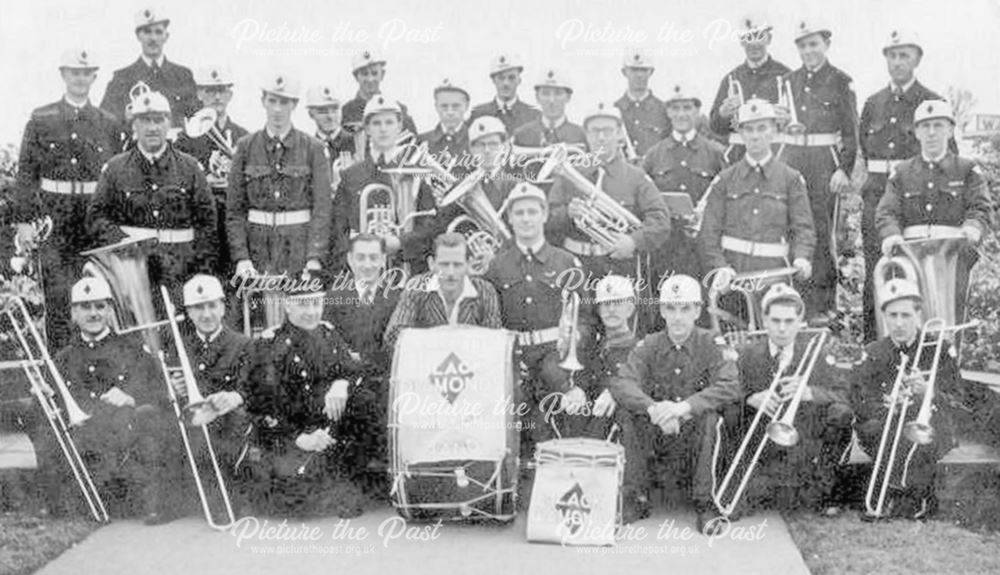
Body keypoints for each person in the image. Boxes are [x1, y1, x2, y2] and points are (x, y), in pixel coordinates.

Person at [37, 277, 179, 524]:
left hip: (124, 432)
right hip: (85, 437)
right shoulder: (61, 359)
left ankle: (152, 503)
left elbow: (159, 389)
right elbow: (55, 405)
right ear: (73, 313)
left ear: (110, 310)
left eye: (101, 306)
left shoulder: (132, 349)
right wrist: (43, 396)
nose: (94, 313)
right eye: (86, 307)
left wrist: (131, 397)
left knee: (150, 416)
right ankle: (60, 502)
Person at [608, 274, 739, 533]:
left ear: (698, 310)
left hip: (693, 432)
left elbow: (730, 385)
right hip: (657, 431)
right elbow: (623, 383)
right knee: (628, 414)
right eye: (671, 308)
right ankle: (635, 497)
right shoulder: (649, 344)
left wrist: (684, 408)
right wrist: (653, 408)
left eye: (685, 308)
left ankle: (705, 503)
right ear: (662, 310)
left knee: (710, 417)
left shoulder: (712, 343)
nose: (678, 317)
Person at [13, 49, 121, 349]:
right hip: (56, 221)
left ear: (94, 77)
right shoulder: (42, 119)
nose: (80, 78)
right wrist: (23, 222)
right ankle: (61, 379)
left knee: (99, 299)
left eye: (86, 73)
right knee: (60, 300)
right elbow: (26, 174)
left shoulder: (108, 123)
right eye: (74, 72)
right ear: (63, 75)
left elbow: (114, 175)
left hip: (94, 221)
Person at [242, 281, 368, 517]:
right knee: (292, 499)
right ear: (287, 307)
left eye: (315, 303)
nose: (310, 311)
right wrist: (299, 438)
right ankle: (329, 484)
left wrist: (341, 384)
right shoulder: (270, 345)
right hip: (291, 433)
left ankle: (341, 479)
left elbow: (352, 369)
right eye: (302, 304)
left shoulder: (328, 333)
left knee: (364, 400)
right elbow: (263, 405)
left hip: (328, 429)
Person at [483, 183, 591, 451]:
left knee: (555, 430)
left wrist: (569, 350)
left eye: (532, 211)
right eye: (519, 213)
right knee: (511, 437)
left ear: (544, 215)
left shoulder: (566, 262)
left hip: (557, 360)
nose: (526, 218)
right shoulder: (497, 266)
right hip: (514, 359)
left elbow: (586, 319)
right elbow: (490, 321)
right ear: (510, 218)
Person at [729, 283, 852, 515]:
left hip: (802, 441)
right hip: (761, 443)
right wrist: (750, 397)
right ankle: (748, 482)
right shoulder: (747, 354)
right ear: (765, 320)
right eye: (775, 321)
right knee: (732, 414)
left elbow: (845, 395)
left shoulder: (817, 354)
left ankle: (823, 488)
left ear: (800, 321)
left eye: (789, 321)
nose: (782, 329)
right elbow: (725, 393)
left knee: (840, 413)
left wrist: (810, 393)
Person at [858, 30, 949, 342]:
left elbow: (948, 159)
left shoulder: (932, 103)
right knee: (876, 269)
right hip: (876, 197)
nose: (897, 62)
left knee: (916, 272)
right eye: (892, 56)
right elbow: (865, 149)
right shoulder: (873, 103)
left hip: (913, 199)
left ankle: (920, 346)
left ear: (917, 59)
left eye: (904, 56)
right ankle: (874, 347)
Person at [852, 278, 960, 520]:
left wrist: (928, 393)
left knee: (916, 435)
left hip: (931, 424)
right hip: (884, 423)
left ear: (918, 314)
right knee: (886, 430)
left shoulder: (939, 349)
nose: (898, 323)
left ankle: (897, 495)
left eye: (906, 315)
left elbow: (957, 401)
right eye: (892, 315)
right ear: (884, 316)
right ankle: (910, 497)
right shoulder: (872, 352)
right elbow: (859, 399)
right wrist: (887, 403)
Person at [698, 99, 816, 321]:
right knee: (734, 340)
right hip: (733, 277)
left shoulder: (790, 179)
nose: (755, 136)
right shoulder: (725, 180)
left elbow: (804, 229)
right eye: (749, 129)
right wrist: (719, 266)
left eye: (762, 128)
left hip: (774, 277)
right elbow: (708, 233)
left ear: (773, 131)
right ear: (741, 133)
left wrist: (802, 258)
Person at [87, 90, 216, 289]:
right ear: (134, 125)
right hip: (133, 270)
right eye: (145, 121)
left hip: (182, 270)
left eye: (159, 120)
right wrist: (126, 244)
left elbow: (207, 224)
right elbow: (96, 219)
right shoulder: (115, 169)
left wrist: (197, 268)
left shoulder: (190, 168)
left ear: (169, 123)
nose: (152, 128)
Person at [875, 99, 993, 315]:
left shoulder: (966, 170)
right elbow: (887, 211)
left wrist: (973, 227)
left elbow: (980, 207)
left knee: (952, 318)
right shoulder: (901, 173)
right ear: (917, 132)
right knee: (912, 316)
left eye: (938, 126)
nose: (931, 133)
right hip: (911, 259)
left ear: (950, 131)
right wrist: (891, 235)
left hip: (953, 258)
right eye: (925, 126)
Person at [777, 19, 858, 323]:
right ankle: (793, 299)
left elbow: (851, 130)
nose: (808, 51)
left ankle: (823, 306)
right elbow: (780, 124)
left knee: (823, 231)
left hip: (825, 162)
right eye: (802, 45)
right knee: (792, 225)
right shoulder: (787, 80)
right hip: (792, 157)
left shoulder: (840, 80)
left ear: (826, 44)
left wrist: (845, 169)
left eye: (814, 44)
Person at [547, 102, 670, 299]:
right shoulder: (570, 173)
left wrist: (633, 240)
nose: (601, 137)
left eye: (607, 131)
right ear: (586, 135)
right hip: (577, 265)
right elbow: (546, 217)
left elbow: (661, 221)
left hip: (618, 266)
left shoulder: (636, 177)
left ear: (619, 134)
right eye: (595, 131)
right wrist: (567, 213)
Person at [226, 74, 333, 282]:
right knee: (258, 312)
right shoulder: (245, 147)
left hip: (297, 249)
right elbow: (234, 211)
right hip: (257, 249)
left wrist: (314, 256)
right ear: (263, 102)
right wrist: (241, 257)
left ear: (294, 105)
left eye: (284, 102)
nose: (277, 109)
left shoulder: (313, 148)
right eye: (272, 101)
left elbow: (322, 209)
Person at [329, 95, 438, 275]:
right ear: (367, 129)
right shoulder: (350, 175)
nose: (383, 129)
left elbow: (430, 225)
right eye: (376, 123)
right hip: (361, 271)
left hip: (406, 270)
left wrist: (400, 242)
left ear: (400, 126)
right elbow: (339, 229)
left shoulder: (415, 172)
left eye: (389, 122)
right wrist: (356, 257)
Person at [177, 274, 253, 514]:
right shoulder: (178, 345)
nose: (206, 314)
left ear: (222, 307)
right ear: (188, 312)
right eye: (198, 308)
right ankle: (174, 500)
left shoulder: (242, 344)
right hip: (191, 416)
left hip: (226, 415)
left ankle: (226, 498)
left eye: (212, 306)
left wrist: (234, 398)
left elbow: (252, 387)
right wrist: (173, 389)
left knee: (235, 421)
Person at [643, 84, 727, 281]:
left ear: (698, 112)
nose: (681, 114)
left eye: (687, 108)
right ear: (668, 112)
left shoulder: (716, 152)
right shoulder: (654, 155)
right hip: (665, 247)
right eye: (675, 108)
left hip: (703, 247)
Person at [173, 65, 248, 279]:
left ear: (230, 94)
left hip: (234, 225)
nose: (217, 97)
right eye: (209, 91)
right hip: (201, 226)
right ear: (199, 94)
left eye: (222, 90)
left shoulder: (244, 137)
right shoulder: (186, 141)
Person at [384, 232, 503, 350]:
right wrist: (443, 345)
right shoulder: (416, 288)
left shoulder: (485, 290)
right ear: (431, 264)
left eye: (457, 265)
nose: (451, 273)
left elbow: (494, 339)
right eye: (444, 265)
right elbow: (394, 335)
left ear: (468, 264)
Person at [559, 274, 639, 439]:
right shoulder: (593, 348)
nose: (611, 310)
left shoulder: (640, 350)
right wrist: (577, 390)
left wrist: (616, 393)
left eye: (617, 303)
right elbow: (584, 378)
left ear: (630, 308)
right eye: (606, 304)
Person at [708, 14, 790, 163]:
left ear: (769, 39)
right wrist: (723, 113)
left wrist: (787, 120)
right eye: (748, 37)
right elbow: (715, 127)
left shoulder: (786, 75)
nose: (753, 43)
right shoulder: (731, 78)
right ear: (741, 41)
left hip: (776, 157)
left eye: (759, 36)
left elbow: (801, 124)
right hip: (739, 158)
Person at [99, 7, 198, 129]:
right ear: (138, 36)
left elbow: (196, 118)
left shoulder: (183, 76)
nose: (153, 38)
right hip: (135, 146)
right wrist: (123, 117)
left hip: (175, 146)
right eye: (147, 32)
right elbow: (104, 119)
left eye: (158, 32)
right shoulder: (122, 77)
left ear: (166, 36)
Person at [341, 50, 418, 136]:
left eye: (374, 73)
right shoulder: (345, 112)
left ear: (382, 75)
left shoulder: (398, 109)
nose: (370, 79)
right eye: (364, 74)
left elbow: (413, 143)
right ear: (356, 77)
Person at [614, 48, 671, 160]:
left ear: (651, 72)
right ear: (624, 72)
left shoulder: (664, 110)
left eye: (644, 70)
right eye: (634, 70)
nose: (639, 75)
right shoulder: (615, 111)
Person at [511, 68, 587, 149]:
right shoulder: (522, 134)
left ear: (568, 97)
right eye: (545, 93)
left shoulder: (579, 134)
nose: (551, 100)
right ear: (537, 97)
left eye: (558, 93)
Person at [469, 53, 540, 135]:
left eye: (511, 78)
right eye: (501, 78)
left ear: (519, 80)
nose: (506, 83)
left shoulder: (533, 116)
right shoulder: (479, 114)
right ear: (493, 80)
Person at [417, 79, 471, 174]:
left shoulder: (477, 141)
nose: (450, 112)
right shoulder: (421, 141)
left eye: (456, 106)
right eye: (444, 106)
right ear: (436, 107)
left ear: (466, 106)